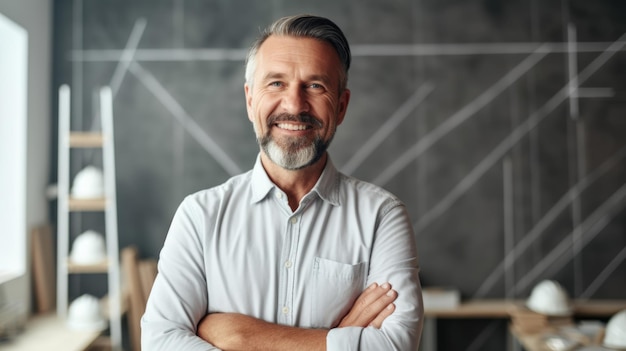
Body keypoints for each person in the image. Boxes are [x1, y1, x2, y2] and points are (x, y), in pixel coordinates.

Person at [141, 14, 423, 350]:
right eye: (276, 83)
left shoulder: (382, 217)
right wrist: (340, 337)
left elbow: (395, 346)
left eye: (315, 86)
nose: (294, 104)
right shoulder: (199, 217)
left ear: (342, 106)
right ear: (249, 100)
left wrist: (240, 337)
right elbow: (161, 342)